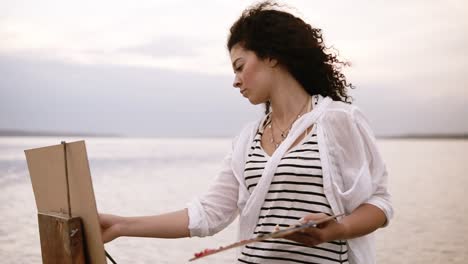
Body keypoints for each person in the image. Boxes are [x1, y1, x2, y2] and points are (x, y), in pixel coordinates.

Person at [99, 1, 393, 263]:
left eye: (240, 67)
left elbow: (380, 203)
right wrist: (122, 226)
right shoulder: (246, 139)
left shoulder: (339, 120)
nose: (236, 81)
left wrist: (339, 229)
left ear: (272, 56)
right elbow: (209, 214)